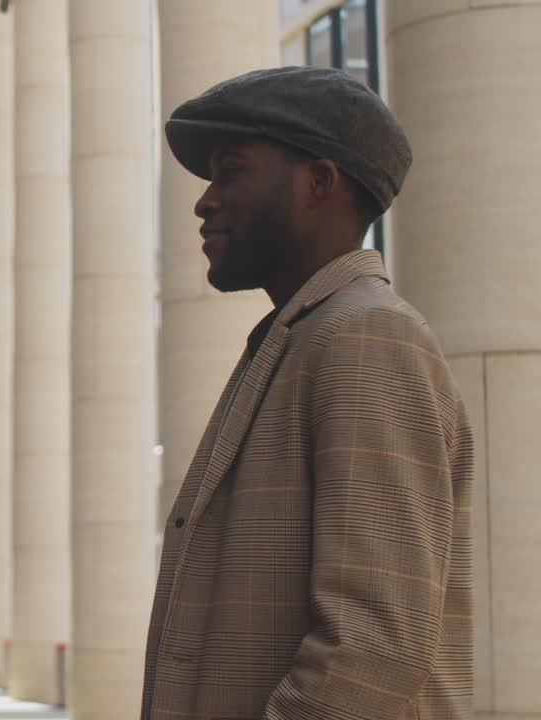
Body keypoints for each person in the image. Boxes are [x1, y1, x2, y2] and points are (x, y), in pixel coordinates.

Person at [141, 66, 474, 719]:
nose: (204, 201)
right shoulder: (302, 336)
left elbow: (372, 651)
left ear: (318, 182)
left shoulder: (366, 336)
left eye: (230, 170)